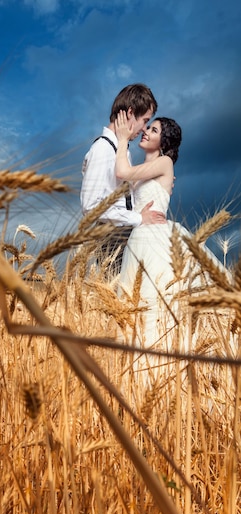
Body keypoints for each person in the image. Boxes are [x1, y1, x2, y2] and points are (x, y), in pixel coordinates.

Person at [114, 111, 229, 350]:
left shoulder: (165, 163)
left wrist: (123, 138)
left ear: (164, 142)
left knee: (156, 300)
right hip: (138, 238)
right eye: (148, 128)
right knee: (133, 305)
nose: (145, 131)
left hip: (156, 238)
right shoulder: (142, 168)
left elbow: (122, 172)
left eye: (153, 130)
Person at [80, 84, 167, 271]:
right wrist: (138, 218)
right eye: (145, 120)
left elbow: (121, 196)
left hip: (125, 235)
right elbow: (90, 207)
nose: (144, 128)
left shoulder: (121, 149)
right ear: (130, 113)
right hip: (113, 240)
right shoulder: (103, 149)